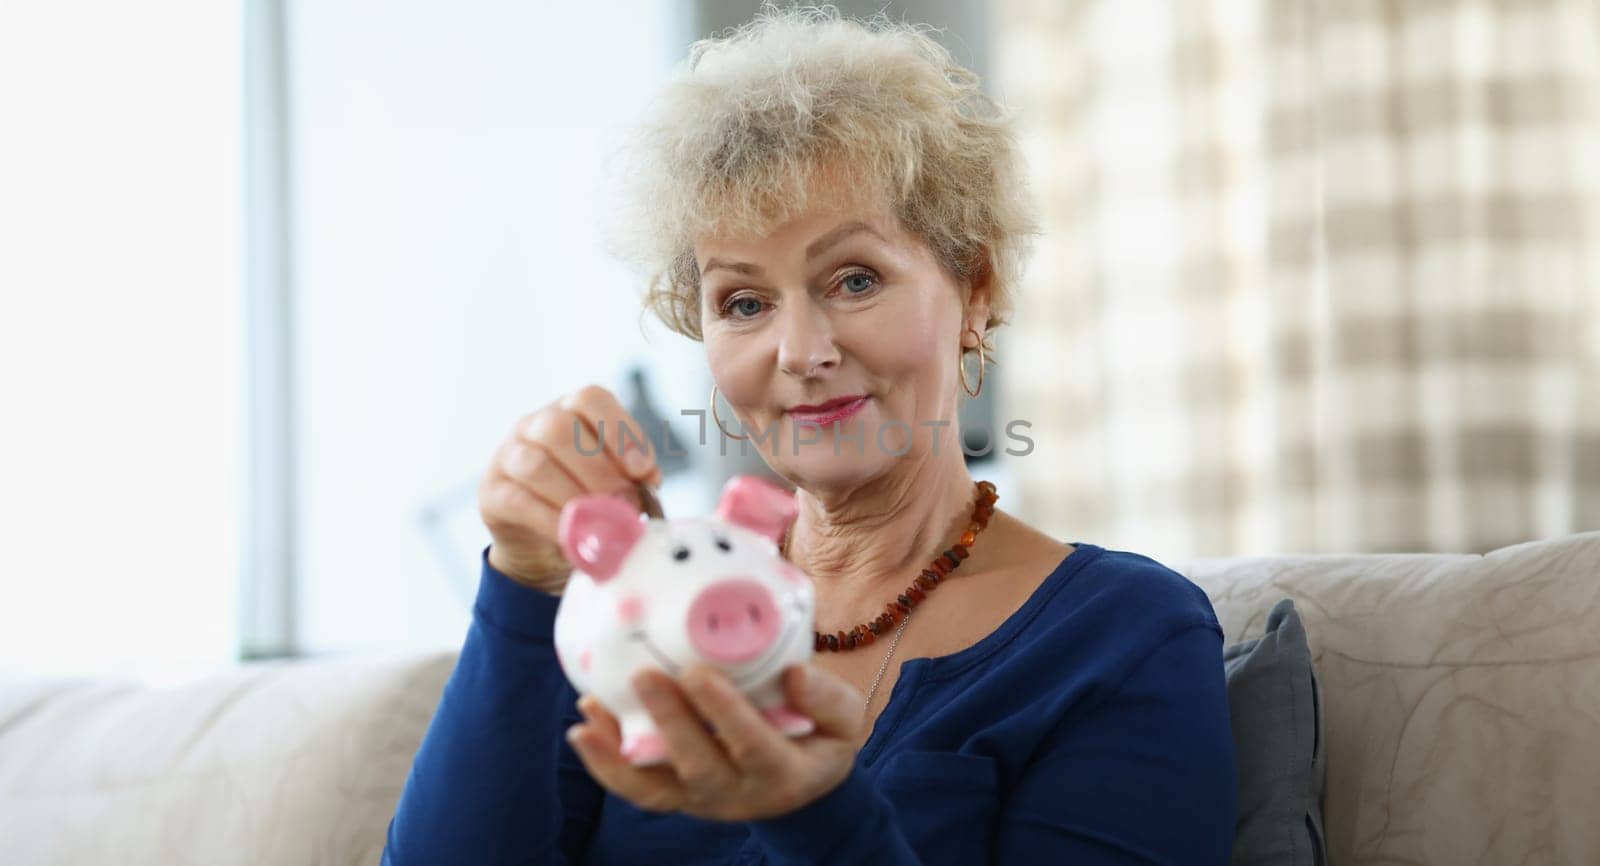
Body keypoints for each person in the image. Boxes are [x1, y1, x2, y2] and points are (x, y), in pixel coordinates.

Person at [382, 6, 1236, 864]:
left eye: (854, 279)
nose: (801, 352)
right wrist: (526, 588)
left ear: (974, 291)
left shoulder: (1121, 635)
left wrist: (814, 813)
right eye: (744, 302)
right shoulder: (643, 607)